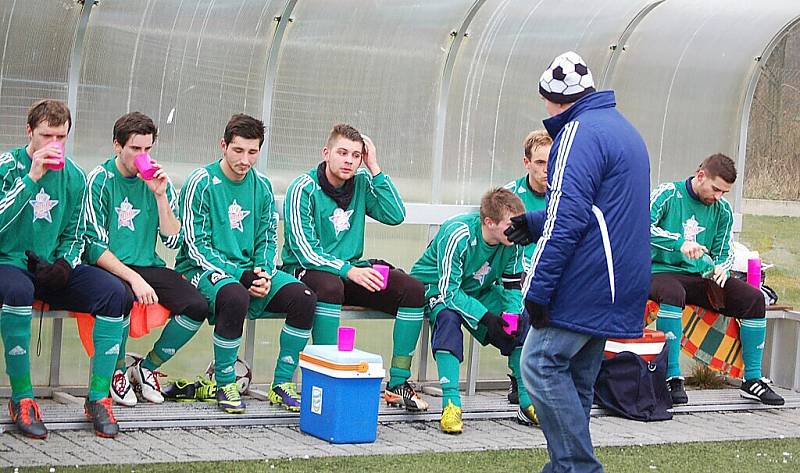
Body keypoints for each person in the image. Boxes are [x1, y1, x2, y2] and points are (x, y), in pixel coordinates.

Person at [506, 51, 651, 472]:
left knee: (540, 363)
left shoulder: (576, 133)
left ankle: (578, 467)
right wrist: (536, 220)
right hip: (621, 279)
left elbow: (568, 219)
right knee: (577, 378)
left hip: (588, 279)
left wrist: (537, 290)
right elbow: (602, 211)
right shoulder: (624, 130)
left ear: (551, 99)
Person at [0, 100, 132, 438]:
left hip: (51, 267)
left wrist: (64, 264)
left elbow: (76, 232)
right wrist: (31, 179)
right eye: (46, 135)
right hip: (9, 263)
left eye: (61, 136)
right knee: (17, 291)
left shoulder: (74, 176)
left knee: (115, 294)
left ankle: (99, 398)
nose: (53, 144)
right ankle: (23, 398)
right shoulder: (7, 166)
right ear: (29, 131)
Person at [175, 114, 317, 414]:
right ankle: (226, 382)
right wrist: (241, 276)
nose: (245, 159)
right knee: (235, 295)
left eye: (253, 152)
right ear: (223, 145)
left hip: (249, 271)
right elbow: (195, 244)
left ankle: (281, 385)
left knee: (304, 298)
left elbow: (267, 237)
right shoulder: (201, 182)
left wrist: (263, 272)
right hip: (203, 270)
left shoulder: (262, 186)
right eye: (238, 150)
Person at [281, 124, 428, 411]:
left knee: (412, 289)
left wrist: (375, 169)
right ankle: (326, 375)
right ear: (326, 153)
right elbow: (303, 249)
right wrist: (347, 270)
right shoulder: (304, 188)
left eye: (356, 155)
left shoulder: (361, 183)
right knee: (330, 285)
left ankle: (398, 382)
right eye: (342, 153)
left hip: (351, 271)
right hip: (306, 271)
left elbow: (395, 214)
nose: (349, 160)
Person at [84, 112, 209, 407]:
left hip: (147, 264)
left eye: (147, 149)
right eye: (135, 149)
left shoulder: (156, 181)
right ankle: (116, 371)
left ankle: (147, 367)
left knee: (197, 305)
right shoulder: (99, 180)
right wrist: (133, 277)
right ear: (117, 145)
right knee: (121, 296)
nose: (142, 156)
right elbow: (94, 247)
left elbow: (172, 239)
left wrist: (161, 197)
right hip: (109, 266)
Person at [649, 153, 784, 406]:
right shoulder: (668, 193)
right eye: (715, 189)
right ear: (701, 176)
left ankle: (752, 380)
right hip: (659, 270)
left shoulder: (722, 210)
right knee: (673, 292)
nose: (718, 196)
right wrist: (679, 243)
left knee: (754, 298)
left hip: (701, 275)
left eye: (724, 192)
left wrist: (722, 267)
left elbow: (724, 250)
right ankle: (671, 376)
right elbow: (641, 227)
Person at [409, 187, 536, 434]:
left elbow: (512, 286)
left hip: (479, 290)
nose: (516, 231)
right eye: (511, 225)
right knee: (447, 317)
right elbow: (449, 291)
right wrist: (486, 318)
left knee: (522, 320)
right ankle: (451, 404)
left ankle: (527, 401)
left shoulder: (513, 241)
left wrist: (510, 316)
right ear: (489, 222)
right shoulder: (458, 233)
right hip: (436, 287)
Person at [502, 129, 551, 404]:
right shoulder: (511, 196)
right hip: (516, 275)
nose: (546, 170)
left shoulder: (565, 195)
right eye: (540, 163)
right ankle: (518, 377)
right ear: (526, 163)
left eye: (551, 162)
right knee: (521, 307)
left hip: (553, 273)